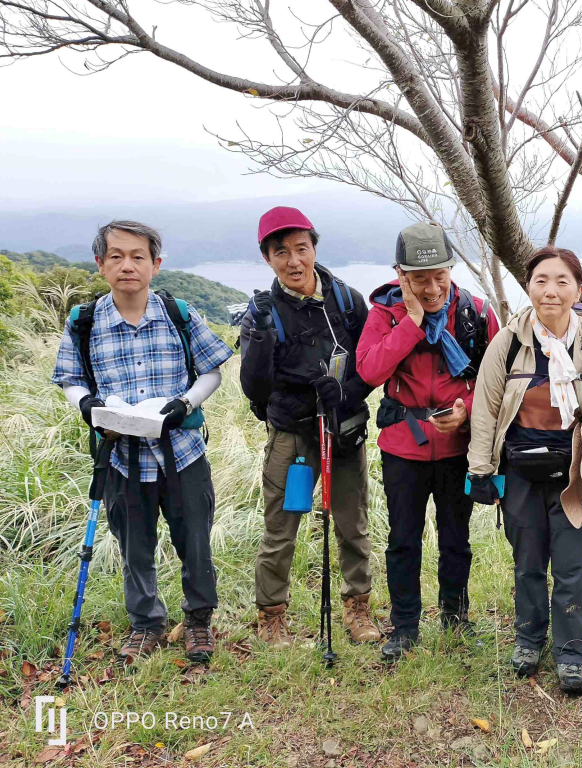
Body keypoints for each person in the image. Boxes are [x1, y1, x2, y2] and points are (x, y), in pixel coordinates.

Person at [52, 220, 233, 664]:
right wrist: (88, 406)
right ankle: (146, 624)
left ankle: (198, 622)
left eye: (138, 256)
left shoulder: (179, 314)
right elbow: (70, 379)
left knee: (195, 539)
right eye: (116, 256)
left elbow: (212, 370)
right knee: (133, 544)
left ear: (156, 264)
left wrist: (183, 404)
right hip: (121, 458)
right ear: (100, 264)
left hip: (183, 454)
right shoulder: (85, 321)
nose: (127, 265)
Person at [467, 246, 582, 694]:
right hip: (520, 468)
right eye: (541, 280)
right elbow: (484, 409)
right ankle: (528, 639)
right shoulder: (508, 343)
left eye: (562, 281)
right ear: (529, 287)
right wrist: (481, 470)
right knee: (527, 563)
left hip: (577, 470)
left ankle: (571, 653)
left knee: (574, 567)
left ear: (579, 289)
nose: (551, 291)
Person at [356, 222, 499, 661]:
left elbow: (497, 379)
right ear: (401, 275)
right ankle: (404, 627)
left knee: (456, 538)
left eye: (440, 275)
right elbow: (369, 371)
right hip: (404, 447)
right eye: (420, 279)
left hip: (458, 448)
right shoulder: (385, 313)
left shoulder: (475, 311)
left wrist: (466, 409)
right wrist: (413, 322)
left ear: (451, 268)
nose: (433, 287)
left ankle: (456, 620)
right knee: (404, 539)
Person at [239, 206, 379, 647]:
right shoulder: (263, 311)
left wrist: (349, 395)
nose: (294, 261)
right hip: (294, 436)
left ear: (315, 247)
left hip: (343, 430)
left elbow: (369, 362)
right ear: (268, 259)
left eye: (302, 248)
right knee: (282, 526)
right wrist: (260, 335)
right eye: (281, 253)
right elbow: (253, 385)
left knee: (353, 525)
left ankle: (358, 610)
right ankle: (272, 618)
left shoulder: (347, 299)